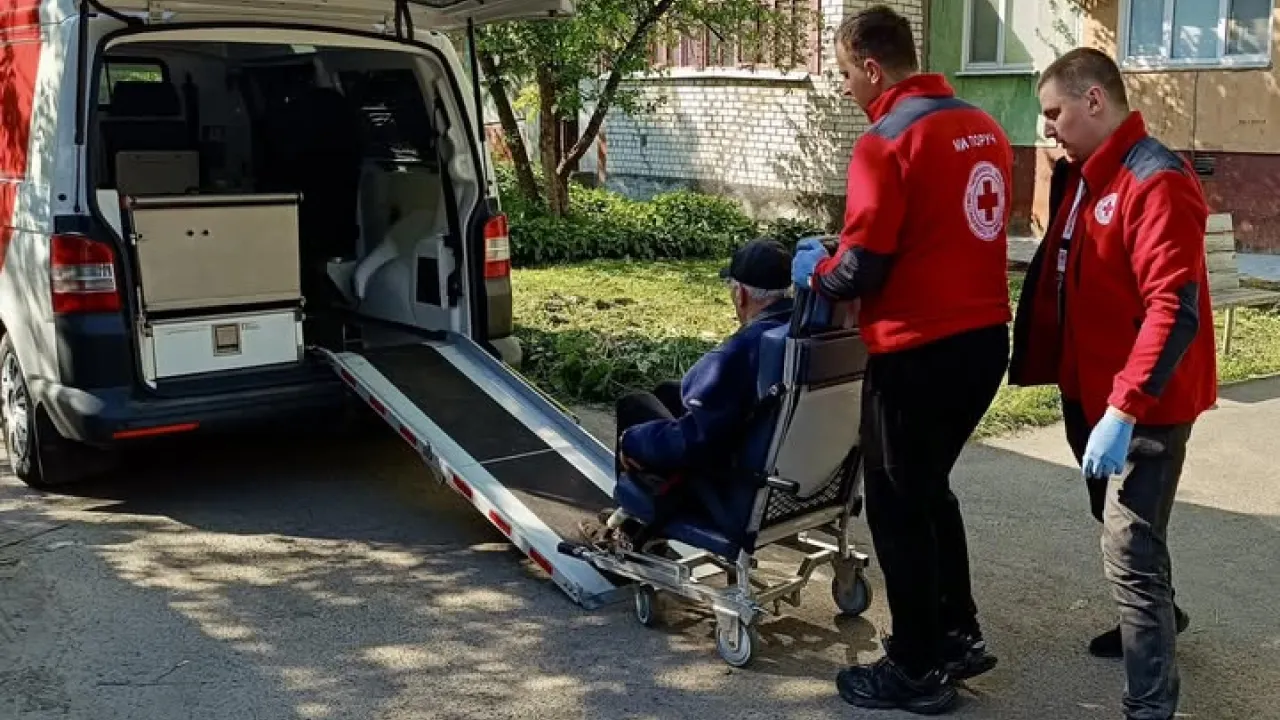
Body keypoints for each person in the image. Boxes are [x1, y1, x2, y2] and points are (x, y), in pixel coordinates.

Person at [789, 5, 1013, 714]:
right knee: (930, 487)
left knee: (894, 502)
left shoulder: (886, 142)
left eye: (847, 73)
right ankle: (955, 631)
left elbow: (864, 269)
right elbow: (940, 229)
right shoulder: (984, 126)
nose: (848, 87)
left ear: (873, 66)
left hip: (918, 351)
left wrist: (817, 271)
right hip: (983, 342)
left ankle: (915, 666)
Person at [1009, 47, 1217, 720]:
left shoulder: (1155, 180)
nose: (1047, 129)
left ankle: (1151, 706)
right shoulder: (1087, 175)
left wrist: (1125, 407)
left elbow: (1172, 307)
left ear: (1094, 100)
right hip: (1090, 393)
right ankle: (1164, 614)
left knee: (1128, 547)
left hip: (1142, 404)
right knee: (1123, 525)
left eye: (1054, 113)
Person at [581, 238, 795, 547]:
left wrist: (633, 441)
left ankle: (628, 536)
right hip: (784, 476)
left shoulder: (739, 353)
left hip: (733, 486)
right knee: (668, 393)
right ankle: (631, 520)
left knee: (635, 407)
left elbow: (695, 441)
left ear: (741, 293)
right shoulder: (801, 336)